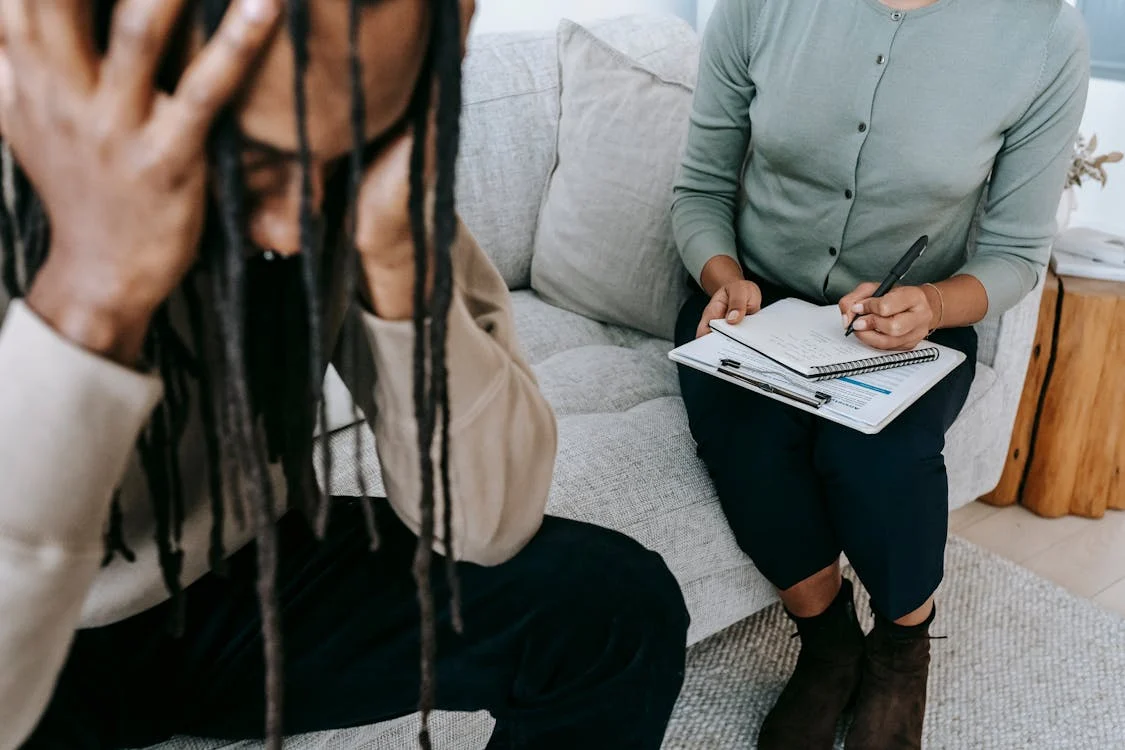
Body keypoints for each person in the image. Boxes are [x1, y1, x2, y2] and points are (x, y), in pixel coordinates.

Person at [0, 1, 691, 749]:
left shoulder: (345, 180)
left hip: (234, 577)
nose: (297, 226)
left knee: (611, 606)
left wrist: (394, 255)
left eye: (339, 157)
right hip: (34, 630)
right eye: (260, 165)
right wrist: (88, 301)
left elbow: (486, 526)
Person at [671, 0, 1088, 748]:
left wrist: (930, 303)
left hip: (917, 322)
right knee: (748, 444)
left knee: (874, 458)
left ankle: (901, 652)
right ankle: (827, 645)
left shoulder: (1040, 33)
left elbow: (1016, 252)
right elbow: (699, 189)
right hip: (753, 307)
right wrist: (723, 276)